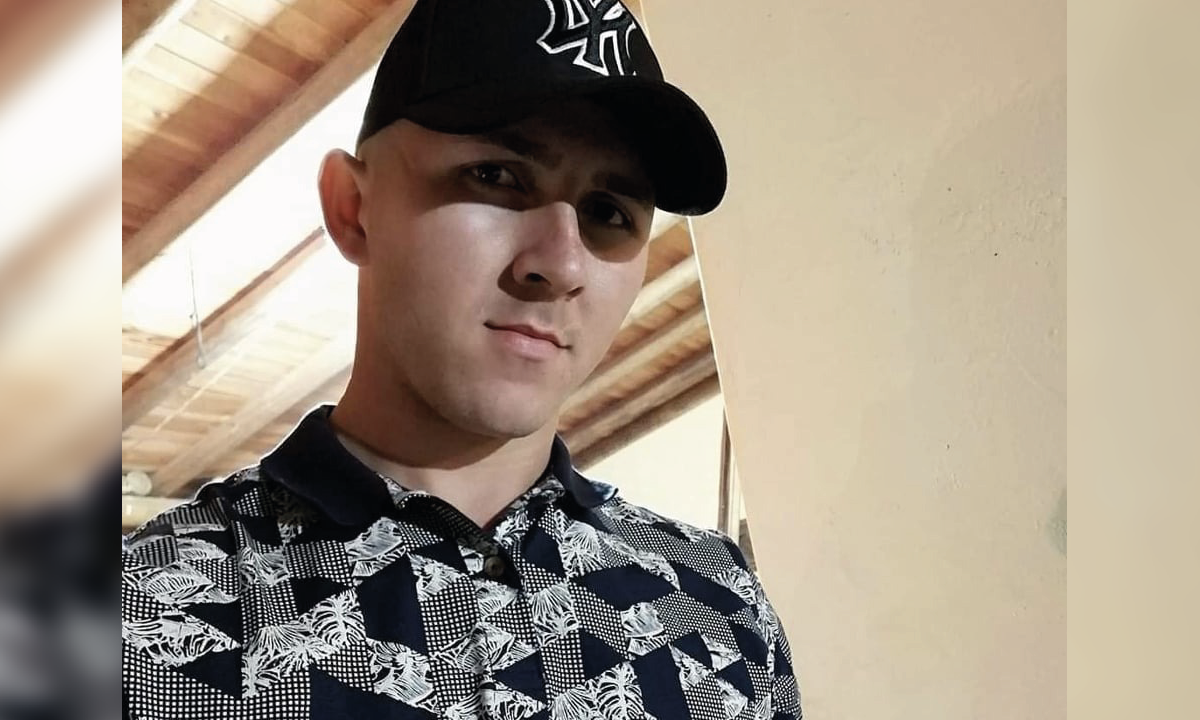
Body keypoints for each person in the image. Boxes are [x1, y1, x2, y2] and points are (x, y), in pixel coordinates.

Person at [121, 1, 801, 718]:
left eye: (608, 212)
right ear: (352, 208)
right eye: (497, 176)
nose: (561, 264)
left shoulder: (719, 611)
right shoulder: (133, 628)